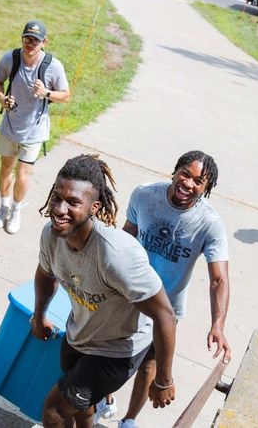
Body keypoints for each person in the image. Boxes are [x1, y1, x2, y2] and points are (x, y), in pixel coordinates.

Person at [31, 154, 178, 428]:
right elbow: (45, 274)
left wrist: (163, 379)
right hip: (81, 334)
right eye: (56, 198)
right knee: (81, 406)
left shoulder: (116, 254)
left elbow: (165, 315)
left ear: (94, 207)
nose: (60, 209)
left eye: (74, 202)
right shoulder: (52, 236)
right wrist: (39, 315)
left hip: (118, 349)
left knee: (54, 412)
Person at [99, 150, 231, 428]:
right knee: (106, 349)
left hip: (166, 308)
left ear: (206, 189)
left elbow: (219, 278)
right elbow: (127, 236)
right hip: (127, 293)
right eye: (185, 173)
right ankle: (105, 399)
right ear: (174, 171)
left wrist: (217, 324)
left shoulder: (210, 223)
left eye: (199, 181)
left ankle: (129, 421)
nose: (189, 184)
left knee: (149, 364)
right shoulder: (144, 195)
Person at [0, 19, 71, 234]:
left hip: (34, 131)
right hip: (10, 126)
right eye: (27, 39)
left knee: (23, 174)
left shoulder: (53, 66)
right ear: (23, 39)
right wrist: (2, 99)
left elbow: (66, 95)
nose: (30, 43)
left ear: (44, 42)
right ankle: (3, 207)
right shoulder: (11, 58)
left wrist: (46, 93)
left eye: (35, 40)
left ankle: (16, 210)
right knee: (6, 168)